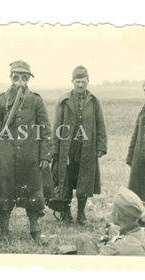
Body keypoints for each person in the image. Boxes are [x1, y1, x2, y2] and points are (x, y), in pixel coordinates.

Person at [0, 60, 52, 245]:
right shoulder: (1, 100)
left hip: (30, 155)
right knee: (5, 191)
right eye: (16, 77)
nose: (20, 81)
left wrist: (45, 155)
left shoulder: (36, 100)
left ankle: (35, 230)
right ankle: (4, 232)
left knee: (34, 191)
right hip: (5, 156)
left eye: (24, 77)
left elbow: (46, 129)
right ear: (11, 78)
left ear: (28, 78)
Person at [51, 65, 107, 225]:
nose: (80, 85)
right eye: (77, 81)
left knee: (85, 181)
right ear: (72, 81)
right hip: (67, 148)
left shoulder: (94, 101)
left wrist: (101, 146)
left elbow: (100, 124)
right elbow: (56, 127)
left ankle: (81, 214)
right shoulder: (64, 101)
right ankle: (66, 213)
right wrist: (56, 150)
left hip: (87, 149)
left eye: (83, 81)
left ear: (88, 81)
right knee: (66, 180)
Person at [74, 187, 145, 256]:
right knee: (114, 229)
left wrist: (111, 243)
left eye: (113, 210)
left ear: (117, 216)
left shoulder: (115, 248)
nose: (110, 212)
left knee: (82, 238)